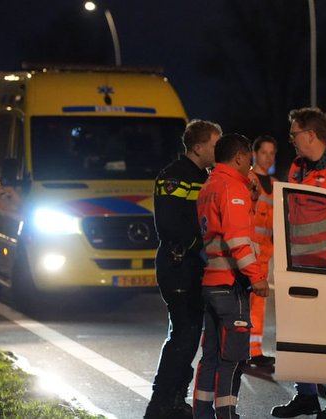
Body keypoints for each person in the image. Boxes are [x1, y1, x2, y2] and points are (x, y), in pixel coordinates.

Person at [271, 107, 326, 419]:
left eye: (294, 133)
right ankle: (306, 396)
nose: (291, 139)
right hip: (297, 267)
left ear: (310, 135)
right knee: (299, 335)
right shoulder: (297, 167)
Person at [146, 120, 222, 419]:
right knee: (185, 334)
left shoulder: (203, 176)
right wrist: (198, 247)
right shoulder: (174, 177)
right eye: (215, 145)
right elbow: (169, 224)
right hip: (178, 265)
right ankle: (161, 401)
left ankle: (174, 397)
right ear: (199, 146)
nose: (219, 150)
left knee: (187, 333)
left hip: (192, 266)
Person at [193, 133, 270, 419]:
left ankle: (201, 413)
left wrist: (250, 199)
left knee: (211, 355)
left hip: (211, 280)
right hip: (230, 283)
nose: (251, 163)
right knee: (233, 359)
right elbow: (238, 240)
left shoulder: (211, 185)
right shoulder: (232, 188)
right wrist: (257, 277)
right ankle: (226, 414)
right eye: (249, 157)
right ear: (239, 157)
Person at [247, 135, 278, 367]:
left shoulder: (276, 185)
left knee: (259, 302)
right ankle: (242, 350)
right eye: (264, 152)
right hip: (248, 250)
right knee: (244, 302)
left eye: (272, 153)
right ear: (255, 153)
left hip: (266, 252)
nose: (268, 157)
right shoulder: (248, 179)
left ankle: (254, 350)